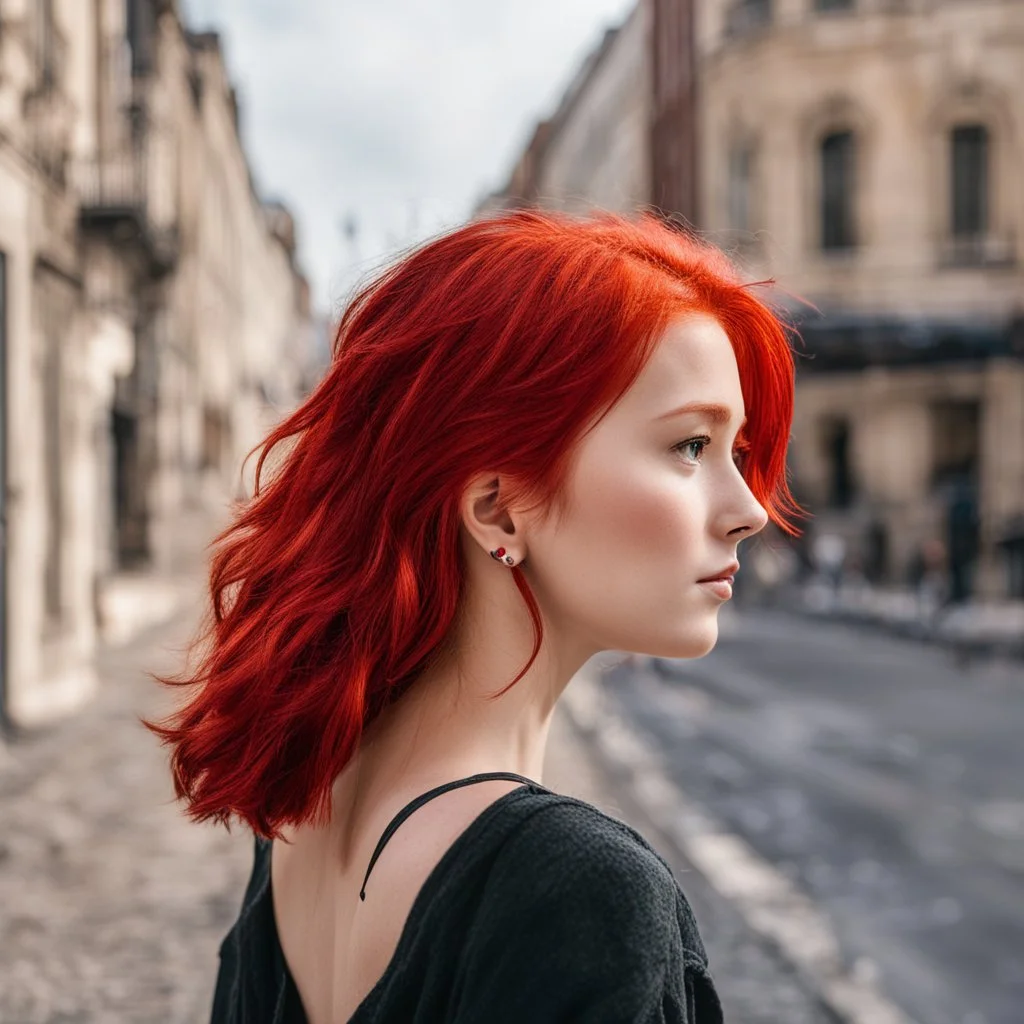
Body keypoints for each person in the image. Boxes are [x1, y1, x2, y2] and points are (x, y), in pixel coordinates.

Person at [145, 210, 803, 1023]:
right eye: (690, 446)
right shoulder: (580, 895)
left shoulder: (302, 808)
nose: (748, 510)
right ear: (496, 509)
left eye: (735, 452)